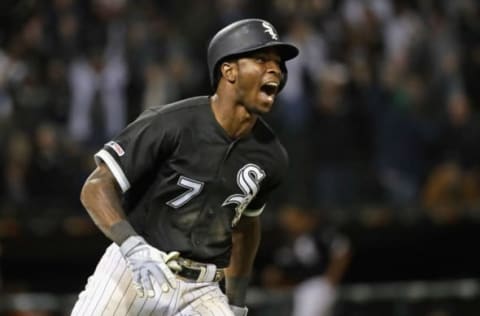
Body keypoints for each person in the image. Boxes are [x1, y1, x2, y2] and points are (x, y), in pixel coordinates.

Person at [71, 18, 298, 316]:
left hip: (201, 289)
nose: (276, 70)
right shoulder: (172, 123)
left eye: (279, 64)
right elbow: (96, 187)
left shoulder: (271, 156)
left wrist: (236, 301)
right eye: (261, 59)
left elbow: (245, 226)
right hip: (135, 266)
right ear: (228, 70)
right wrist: (131, 245)